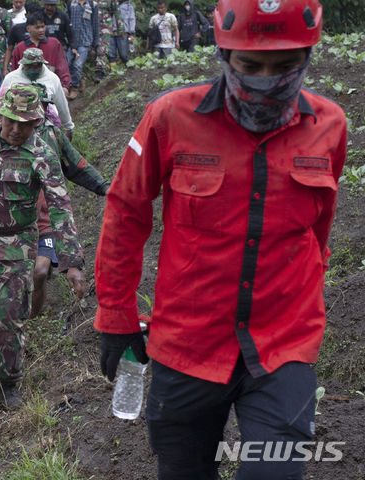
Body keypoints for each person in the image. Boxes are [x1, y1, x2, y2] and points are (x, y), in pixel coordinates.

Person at [96, 1, 346, 479]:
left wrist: (308, 289)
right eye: (250, 66)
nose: (266, 79)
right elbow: (126, 210)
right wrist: (116, 315)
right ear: (224, 55)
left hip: (283, 343)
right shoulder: (169, 117)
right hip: (188, 342)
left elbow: (319, 229)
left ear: (307, 59)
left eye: (285, 66)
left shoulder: (329, 126)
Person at [0, 84, 86, 409]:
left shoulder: (42, 154)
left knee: (9, 317)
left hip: (15, 247)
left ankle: (9, 381)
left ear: (37, 122)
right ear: (1, 115)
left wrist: (71, 262)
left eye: (26, 123)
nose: (17, 129)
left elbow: (61, 206)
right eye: (11, 121)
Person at [31, 91, 109, 318]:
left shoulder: (51, 135)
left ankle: (32, 319)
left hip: (44, 215)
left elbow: (76, 164)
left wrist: (104, 186)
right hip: (7, 225)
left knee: (39, 272)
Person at [0, 48, 75, 137]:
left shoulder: (52, 79)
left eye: (36, 66)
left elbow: (61, 104)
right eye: (29, 66)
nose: (33, 69)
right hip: (18, 124)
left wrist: (68, 127)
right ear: (23, 64)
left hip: (43, 126)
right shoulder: (11, 78)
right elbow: (0, 103)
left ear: (42, 65)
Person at [11, 14, 71, 91]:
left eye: (43, 27)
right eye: (37, 27)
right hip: (26, 90)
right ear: (28, 28)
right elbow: (15, 71)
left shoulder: (54, 44)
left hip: (51, 87)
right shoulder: (20, 47)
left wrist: (65, 86)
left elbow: (62, 66)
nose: (41, 30)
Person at [66, 0, 99, 99]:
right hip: (72, 41)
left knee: (78, 64)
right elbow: (65, 21)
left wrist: (95, 43)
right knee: (67, 63)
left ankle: (74, 88)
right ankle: (79, 79)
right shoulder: (71, 3)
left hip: (85, 41)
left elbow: (95, 24)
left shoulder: (93, 4)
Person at [3, 2, 43, 77]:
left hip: (40, 68)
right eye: (32, 15)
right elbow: (9, 49)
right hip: (22, 67)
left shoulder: (42, 30)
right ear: (26, 15)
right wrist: (5, 69)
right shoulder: (17, 29)